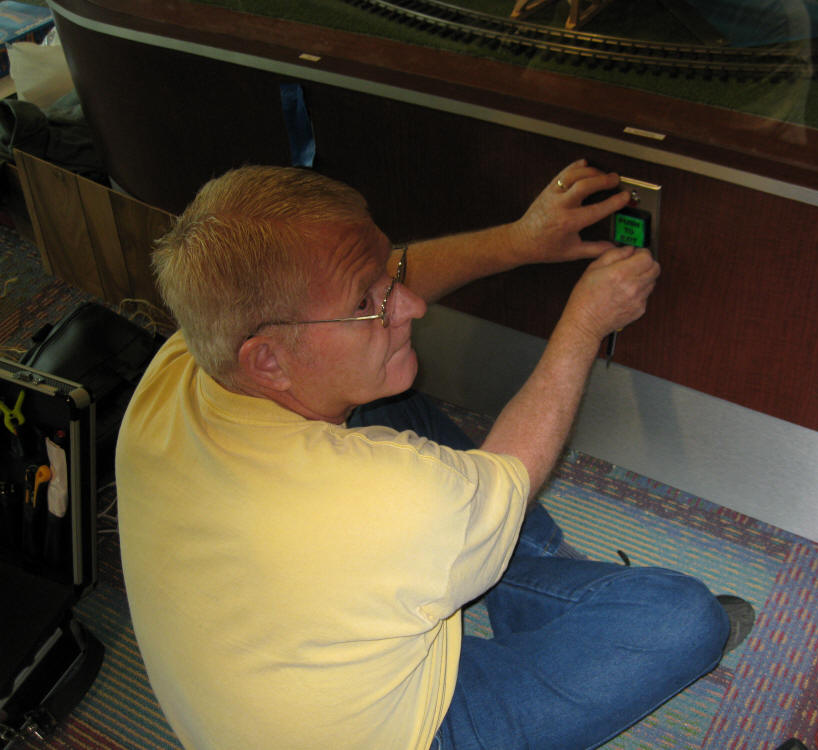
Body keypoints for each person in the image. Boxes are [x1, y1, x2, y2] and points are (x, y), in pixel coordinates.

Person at [115, 159, 753, 750]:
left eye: (385, 279)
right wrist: (585, 322)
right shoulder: (388, 493)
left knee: (386, 399)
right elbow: (511, 469)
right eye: (366, 305)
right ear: (270, 361)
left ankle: (490, 558)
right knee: (680, 622)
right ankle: (506, 564)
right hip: (396, 735)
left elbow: (372, 278)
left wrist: (521, 240)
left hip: (266, 680)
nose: (413, 305)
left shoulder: (187, 360)